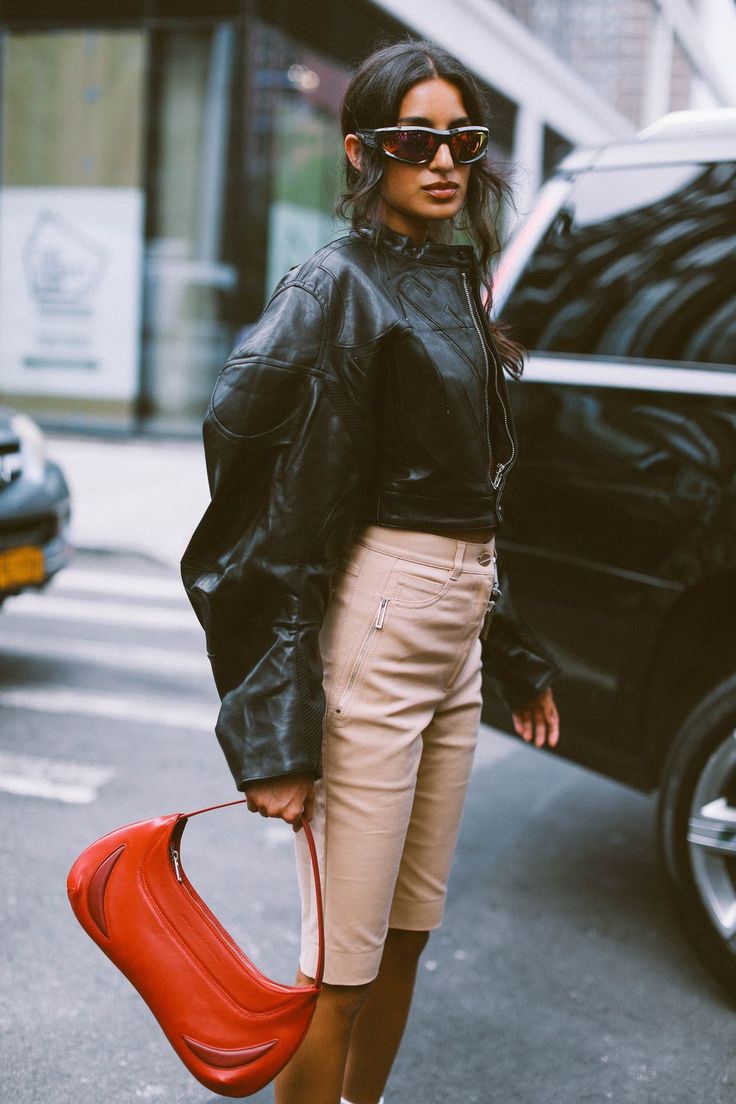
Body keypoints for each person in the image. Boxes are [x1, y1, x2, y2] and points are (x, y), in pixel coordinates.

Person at [182, 39, 560, 1104]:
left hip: (452, 636)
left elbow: (468, 497)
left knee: (405, 943)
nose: (442, 161)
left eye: (463, 140)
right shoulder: (334, 288)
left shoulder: (453, 281)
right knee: (339, 970)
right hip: (382, 630)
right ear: (363, 152)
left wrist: (515, 655)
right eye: (414, 139)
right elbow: (266, 520)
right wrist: (272, 737)